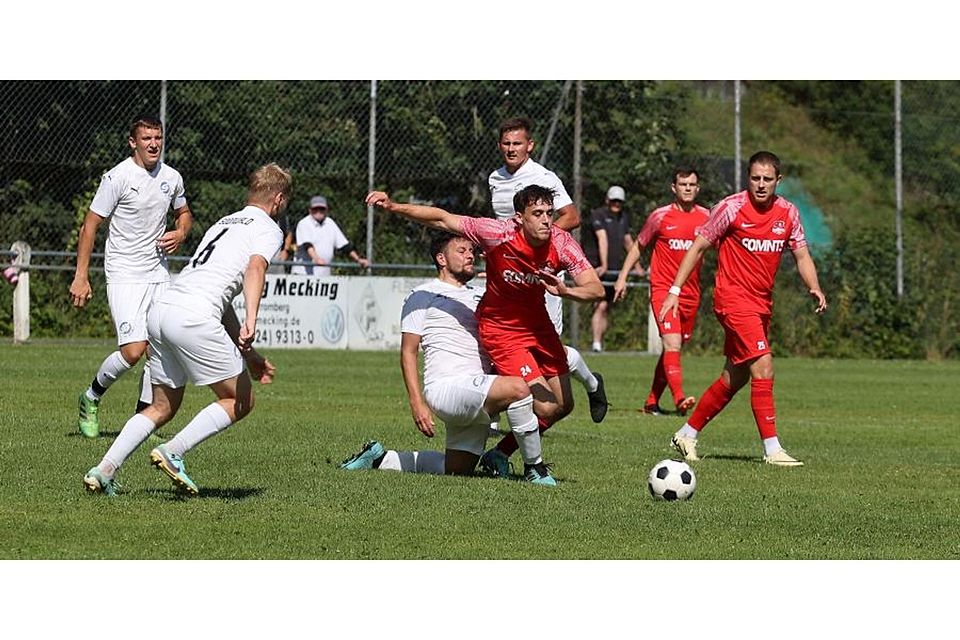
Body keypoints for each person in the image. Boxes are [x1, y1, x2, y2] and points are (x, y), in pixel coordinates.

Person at [365, 185, 604, 485]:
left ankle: (497, 452)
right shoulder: (496, 233)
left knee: (562, 405)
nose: (546, 220)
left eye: (549, 213)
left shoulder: (562, 241)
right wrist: (394, 207)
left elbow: (596, 288)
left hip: (538, 326)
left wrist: (568, 291)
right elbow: (442, 219)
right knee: (540, 403)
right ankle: (534, 468)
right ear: (519, 218)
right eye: (538, 214)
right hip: (502, 331)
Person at [82, 163, 289, 496]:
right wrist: (252, 319)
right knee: (241, 399)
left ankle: (103, 470)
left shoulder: (225, 222)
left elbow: (218, 298)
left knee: (162, 406)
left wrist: (247, 352)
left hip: (163, 309)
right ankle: (173, 451)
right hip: (192, 316)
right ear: (278, 200)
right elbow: (255, 268)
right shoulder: (268, 227)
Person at [660, 151, 827, 467]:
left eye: (767, 179)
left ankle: (686, 434)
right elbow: (698, 247)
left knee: (734, 377)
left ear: (779, 181)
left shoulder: (788, 213)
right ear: (747, 178)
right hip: (733, 301)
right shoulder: (731, 208)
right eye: (755, 178)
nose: (761, 185)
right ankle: (772, 449)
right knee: (763, 366)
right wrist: (675, 289)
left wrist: (814, 286)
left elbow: (802, 255)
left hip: (761, 304)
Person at [339, 232, 543, 480]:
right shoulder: (422, 295)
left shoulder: (480, 295)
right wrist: (417, 404)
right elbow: (408, 351)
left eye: (471, 250)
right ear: (441, 259)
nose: (470, 255)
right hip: (447, 387)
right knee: (519, 389)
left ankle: (380, 458)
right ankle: (536, 470)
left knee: (458, 470)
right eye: (461, 250)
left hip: (476, 388)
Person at [70, 114, 193, 438]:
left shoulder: (172, 177)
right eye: (147, 138)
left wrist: (181, 233)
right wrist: (81, 276)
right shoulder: (117, 178)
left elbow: (184, 214)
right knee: (133, 350)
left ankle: (143, 420)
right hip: (124, 273)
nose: (154, 144)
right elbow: (90, 225)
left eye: (158, 138)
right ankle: (91, 396)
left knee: (161, 347)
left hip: (157, 272)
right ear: (133, 142)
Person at [488, 116, 608, 424]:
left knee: (546, 349)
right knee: (498, 340)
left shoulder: (543, 177)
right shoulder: (494, 178)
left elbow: (571, 216)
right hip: (508, 276)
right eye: (506, 143)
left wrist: (536, 243)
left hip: (542, 276)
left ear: (530, 146)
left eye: (517, 143)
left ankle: (591, 383)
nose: (511, 149)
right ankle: (496, 419)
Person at [614, 167, 709, 416]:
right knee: (672, 342)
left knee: (672, 349)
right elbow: (638, 246)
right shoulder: (660, 216)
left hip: (691, 294)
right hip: (663, 291)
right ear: (673, 188)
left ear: (698, 188)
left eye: (692, 184)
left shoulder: (707, 218)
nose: (687, 188)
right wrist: (622, 277)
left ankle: (651, 402)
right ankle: (679, 399)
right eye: (683, 184)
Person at [581, 185, 635, 353]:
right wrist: (603, 265)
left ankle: (599, 342)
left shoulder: (623, 218)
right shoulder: (598, 215)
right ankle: (596, 343)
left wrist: (638, 266)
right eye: (613, 201)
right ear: (607, 200)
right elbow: (602, 238)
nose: (616, 205)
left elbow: (628, 241)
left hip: (615, 270)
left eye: (619, 202)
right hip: (599, 269)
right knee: (601, 305)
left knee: (606, 307)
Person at [290, 195, 369, 276]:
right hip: (303, 274)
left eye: (322, 209)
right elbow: (307, 245)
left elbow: (344, 246)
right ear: (309, 210)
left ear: (326, 210)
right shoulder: (304, 223)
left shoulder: (330, 223)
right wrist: (317, 259)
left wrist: (358, 259)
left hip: (323, 275)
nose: (318, 211)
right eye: (315, 209)